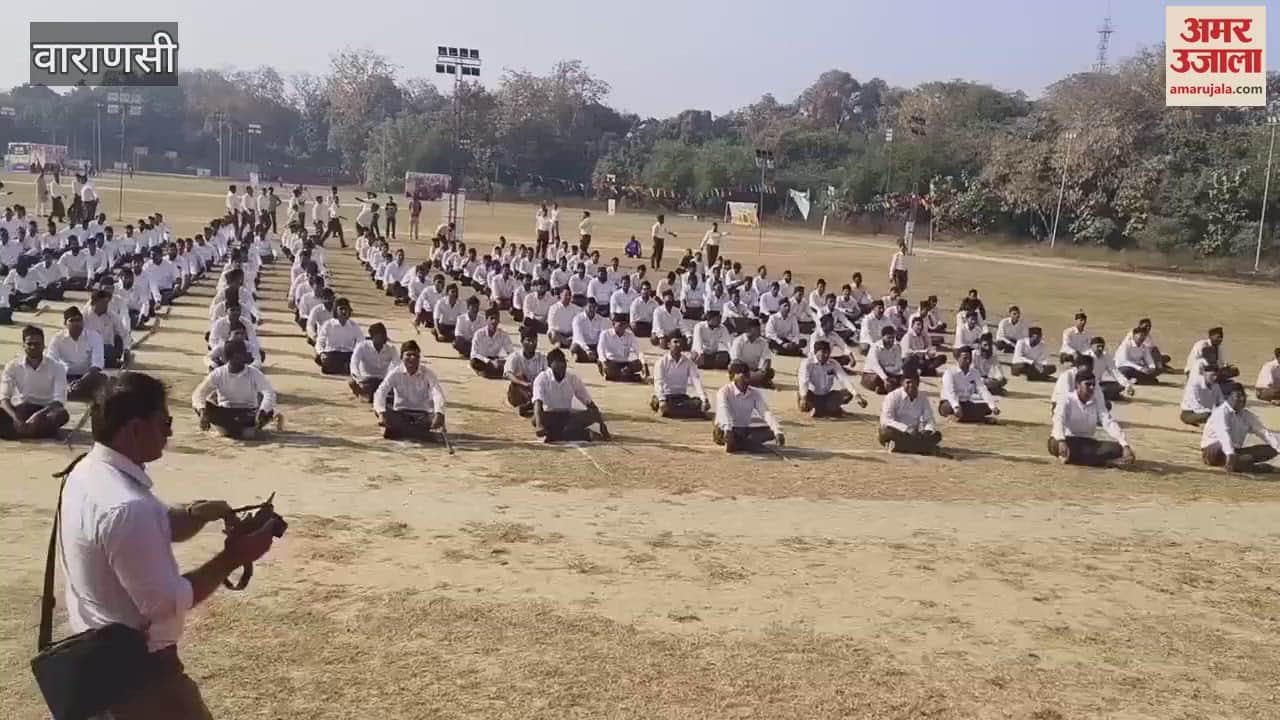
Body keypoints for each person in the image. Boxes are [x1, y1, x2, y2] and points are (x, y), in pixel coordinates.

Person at [57, 372, 276, 718]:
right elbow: (166, 603)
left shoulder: (86, 472)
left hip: (96, 662)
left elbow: (153, 525)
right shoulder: (127, 507)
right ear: (135, 429)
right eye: (165, 423)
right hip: (142, 677)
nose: (170, 433)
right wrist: (233, 558)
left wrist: (196, 514)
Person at [192, 339, 278, 439]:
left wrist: (263, 411)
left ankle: (246, 430)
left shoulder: (254, 372)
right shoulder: (219, 373)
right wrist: (203, 412)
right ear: (233, 357)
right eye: (243, 352)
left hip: (248, 414)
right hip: (225, 413)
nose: (247, 354)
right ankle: (229, 430)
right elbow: (198, 394)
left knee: (268, 410)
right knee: (203, 405)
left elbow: (269, 393)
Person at [1048, 370, 1135, 467]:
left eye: (1093, 385)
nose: (1092, 387)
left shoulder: (1096, 402)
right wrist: (1061, 440)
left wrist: (1125, 445)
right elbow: (1058, 420)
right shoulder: (1067, 400)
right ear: (1077, 385)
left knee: (1119, 450)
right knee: (1056, 445)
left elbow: (1108, 422)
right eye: (1088, 384)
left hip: (1086, 443)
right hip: (1066, 440)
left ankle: (1082, 459)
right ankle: (1104, 462)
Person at [0, 325, 70, 440]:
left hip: (45, 410)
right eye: (29, 344)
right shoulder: (12, 366)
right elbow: (4, 399)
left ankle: (20, 432)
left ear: (43, 345)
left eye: (37, 344)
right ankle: (31, 431)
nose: (33, 347)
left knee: (61, 415)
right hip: (21, 409)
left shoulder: (57, 367)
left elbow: (59, 401)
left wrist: (37, 416)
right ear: (23, 345)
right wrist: (15, 418)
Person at [374, 341, 447, 442]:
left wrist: (439, 413)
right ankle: (416, 432)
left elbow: (438, 394)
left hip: (422, 415)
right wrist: (381, 414)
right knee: (382, 410)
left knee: (436, 417)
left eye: (415, 355)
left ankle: (406, 431)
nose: (412, 358)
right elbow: (380, 393)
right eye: (408, 355)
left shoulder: (428, 373)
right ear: (401, 357)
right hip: (400, 414)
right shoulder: (395, 373)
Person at [532, 349, 612, 442]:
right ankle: (582, 434)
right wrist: (539, 425)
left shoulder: (572, 378)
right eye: (558, 362)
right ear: (550, 365)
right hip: (550, 416)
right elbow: (537, 402)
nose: (562, 365)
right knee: (535, 419)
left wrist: (601, 424)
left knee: (592, 415)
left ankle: (557, 434)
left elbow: (589, 403)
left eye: (563, 361)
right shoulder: (542, 378)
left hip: (568, 416)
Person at [1199, 383, 1280, 473]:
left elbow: (1263, 432)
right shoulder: (1220, 413)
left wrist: (1278, 447)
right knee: (1231, 454)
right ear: (1227, 397)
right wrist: (1230, 454)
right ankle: (1263, 468)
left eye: (1243, 396)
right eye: (1237, 396)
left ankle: (1239, 462)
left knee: (1270, 449)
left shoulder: (1246, 415)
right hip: (1213, 451)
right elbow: (1223, 435)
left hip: (1235, 451)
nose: (1242, 399)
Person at [714, 361, 785, 453]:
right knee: (730, 435)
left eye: (747, 373)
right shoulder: (724, 391)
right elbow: (724, 410)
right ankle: (746, 444)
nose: (746, 376)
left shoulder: (754, 393)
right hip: (725, 430)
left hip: (743, 430)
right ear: (734, 376)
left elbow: (765, 412)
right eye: (742, 373)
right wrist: (728, 429)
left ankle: (741, 444)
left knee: (771, 432)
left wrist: (777, 430)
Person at [50, 307, 107, 402]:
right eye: (72, 320)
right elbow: (51, 362)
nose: (76, 323)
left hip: (89, 376)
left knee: (104, 385)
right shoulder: (57, 339)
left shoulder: (94, 336)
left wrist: (81, 382)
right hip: (66, 376)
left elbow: (97, 365)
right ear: (65, 323)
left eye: (79, 320)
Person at [797, 340, 866, 418]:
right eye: (823, 353)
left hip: (826, 395)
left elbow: (844, 379)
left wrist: (857, 395)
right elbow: (804, 381)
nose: (826, 355)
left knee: (848, 394)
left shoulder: (833, 363)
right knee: (805, 405)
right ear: (815, 352)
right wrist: (803, 397)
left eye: (828, 353)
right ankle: (824, 410)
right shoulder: (807, 363)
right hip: (810, 395)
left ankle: (825, 409)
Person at [878, 372, 943, 455]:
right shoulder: (892, 396)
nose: (911, 385)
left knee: (937, 435)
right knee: (885, 432)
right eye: (908, 382)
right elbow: (886, 420)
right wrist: (906, 429)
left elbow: (929, 419)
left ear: (918, 383)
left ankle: (900, 446)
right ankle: (925, 448)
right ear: (902, 383)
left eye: (914, 382)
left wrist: (927, 430)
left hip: (915, 434)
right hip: (897, 432)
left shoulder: (923, 398)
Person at [650, 332, 709, 419]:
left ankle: (673, 412)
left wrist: (704, 399)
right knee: (665, 405)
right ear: (669, 344)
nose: (678, 345)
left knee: (698, 403)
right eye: (676, 342)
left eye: (680, 343)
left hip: (682, 397)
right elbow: (658, 382)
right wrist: (662, 400)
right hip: (667, 396)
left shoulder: (688, 362)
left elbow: (696, 381)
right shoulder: (661, 362)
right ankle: (687, 413)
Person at [938, 347, 1000, 423]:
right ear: (958, 358)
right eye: (965, 358)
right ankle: (979, 419)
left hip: (966, 403)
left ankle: (960, 418)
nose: (968, 361)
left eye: (969, 359)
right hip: (949, 403)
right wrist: (956, 406)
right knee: (950, 407)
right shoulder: (949, 372)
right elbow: (950, 392)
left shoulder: (974, 372)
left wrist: (993, 406)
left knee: (987, 408)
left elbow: (982, 390)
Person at [505, 327, 548, 416]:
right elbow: (508, 373)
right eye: (528, 340)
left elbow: (549, 375)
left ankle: (532, 405)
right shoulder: (514, 356)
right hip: (519, 393)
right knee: (518, 376)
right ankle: (532, 404)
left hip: (536, 391)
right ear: (521, 341)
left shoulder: (543, 358)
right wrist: (523, 383)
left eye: (534, 340)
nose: (532, 343)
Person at [348, 323, 396, 403]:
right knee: (353, 382)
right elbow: (354, 363)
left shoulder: (391, 349)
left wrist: (391, 379)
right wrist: (358, 378)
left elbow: (397, 366)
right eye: (380, 335)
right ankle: (362, 393)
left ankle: (371, 396)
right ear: (373, 336)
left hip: (382, 380)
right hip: (366, 379)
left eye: (384, 335)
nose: (383, 338)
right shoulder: (362, 346)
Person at [314, 299, 363, 374]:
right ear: (336, 310)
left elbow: (361, 342)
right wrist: (321, 353)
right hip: (332, 353)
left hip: (347, 353)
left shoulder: (354, 326)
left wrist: (357, 355)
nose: (344, 312)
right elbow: (320, 341)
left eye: (346, 309)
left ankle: (342, 368)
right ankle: (341, 368)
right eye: (341, 309)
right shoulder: (328, 325)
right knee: (322, 359)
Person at [729, 319, 775, 387]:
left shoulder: (763, 342)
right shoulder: (738, 341)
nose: (760, 331)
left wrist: (762, 371)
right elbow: (735, 359)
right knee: (733, 366)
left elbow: (767, 359)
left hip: (756, 370)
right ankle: (751, 381)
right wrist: (747, 371)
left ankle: (750, 380)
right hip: (742, 369)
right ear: (749, 330)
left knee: (770, 372)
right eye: (757, 329)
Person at [597, 317, 645, 382]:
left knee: (638, 365)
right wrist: (603, 361)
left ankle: (620, 376)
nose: (622, 328)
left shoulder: (630, 334)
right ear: (614, 324)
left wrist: (643, 362)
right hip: (612, 361)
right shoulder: (605, 334)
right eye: (620, 325)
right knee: (608, 369)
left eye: (625, 325)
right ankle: (629, 376)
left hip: (626, 362)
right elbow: (600, 349)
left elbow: (638, 350)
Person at [470, 309, 514, 379]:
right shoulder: (479, 334)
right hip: (483, 360)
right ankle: (492, 372)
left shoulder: (503, 334)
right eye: (492, 318)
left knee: (512, 362)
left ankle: (490, 373)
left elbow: (511, 353)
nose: (494, 321)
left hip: (496, 360)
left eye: (496, 319)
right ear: (486, 320)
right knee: (473, 362)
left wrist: (501, 361)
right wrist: (489, 361)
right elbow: (474, 354)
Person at [862, 325, 904, 395]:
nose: (891, 340)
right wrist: (885, 378)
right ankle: (885, 387)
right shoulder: (875, 347)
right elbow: (875, 366)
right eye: (889, 338)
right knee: (877, 378)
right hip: (873, 374)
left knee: (903, 377)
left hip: (890, 372)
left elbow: (898, 364)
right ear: (882, 337)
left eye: (893, 338)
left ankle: (884, 388)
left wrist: (887, 370)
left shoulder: (897, 347)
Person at [570, 298, 608, 363]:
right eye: (590, 307)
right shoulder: (577, 319)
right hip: (582, 346)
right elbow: (579, 337)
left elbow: (603, 337)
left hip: (595, 346)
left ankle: (592, 357)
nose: (592, 309)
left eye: (594, 307)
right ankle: (592, 357)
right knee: (574, 348)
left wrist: (599, 349)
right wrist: (587, 350)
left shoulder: (601, 319)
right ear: (585, 307)